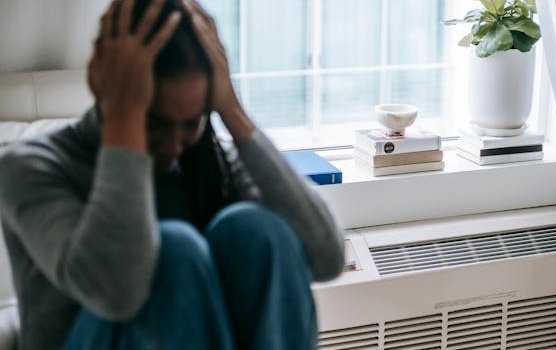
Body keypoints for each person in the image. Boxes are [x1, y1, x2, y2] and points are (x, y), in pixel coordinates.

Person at [0, 0, 344, 348]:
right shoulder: (31, 166)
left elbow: (327, 260)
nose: (173, 146)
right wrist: (124, 122)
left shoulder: (208, 161)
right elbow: (115, 293)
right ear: (102, 84)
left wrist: (232, 111)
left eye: (190, 123)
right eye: (154, 122)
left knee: (256, 229)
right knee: (175, 250)